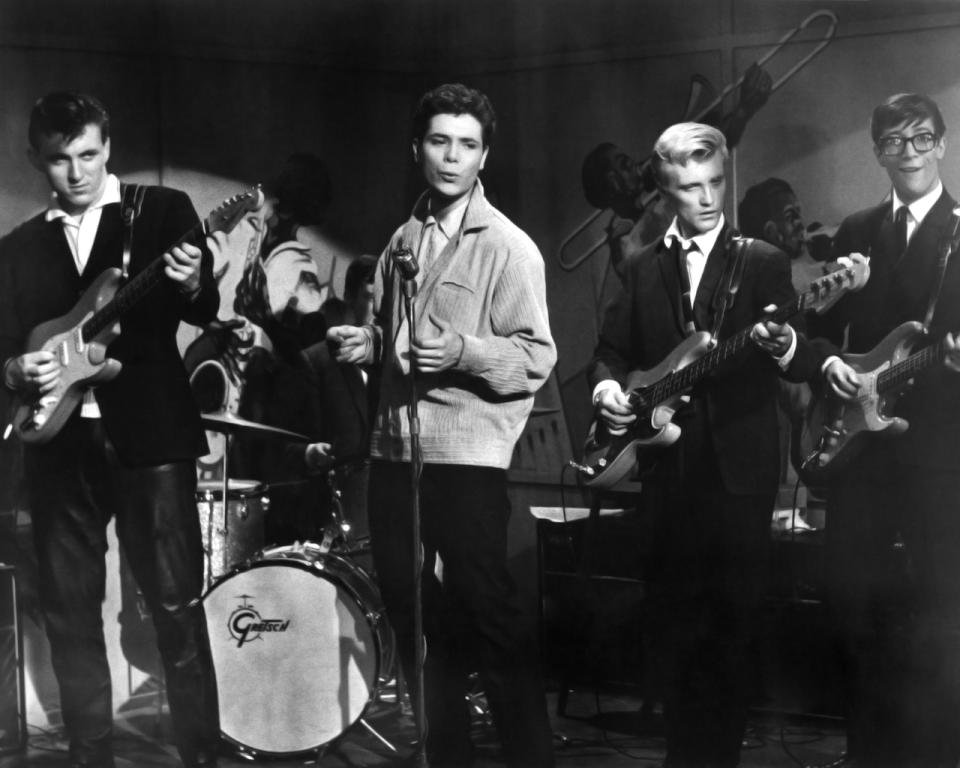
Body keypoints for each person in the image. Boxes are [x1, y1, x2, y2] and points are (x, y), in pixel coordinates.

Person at [327, 83, 557, 768]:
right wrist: (366, 344)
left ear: (485, 156)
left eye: (466, 144)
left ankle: (529, 757)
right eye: (438, 141)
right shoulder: (404, 238)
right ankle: (447, 754)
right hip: (396, 451)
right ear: (416, 149)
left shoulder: (510, 248)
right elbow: (394, 338)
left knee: (489, 610)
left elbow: (536, 357)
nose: (450, 157)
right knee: (412, 610)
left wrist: (464, 351)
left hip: (467, 458)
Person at [588, 122, 819, 768]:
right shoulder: (640, 266)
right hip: (665, 469)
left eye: (717, 182)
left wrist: (783, 347)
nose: (709, 198)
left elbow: (796, 359)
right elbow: (608, 353)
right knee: (673, 625)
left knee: (731, 631)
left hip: (737, 474)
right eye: (691, 187)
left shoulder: (763, 262)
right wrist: (607, 389)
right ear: (665, 190)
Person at [0, 92, 220, 767]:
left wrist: (187, 285)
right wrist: (16, 368)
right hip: (58, 446)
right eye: (60, 160)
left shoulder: (162, 212)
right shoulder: (19, 246)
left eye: (89, 154)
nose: (77, 172)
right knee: (70, 618)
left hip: (151, 440)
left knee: (178, 611)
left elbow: (205, 302)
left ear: (109, 147)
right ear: (38, 159)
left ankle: (201, 759)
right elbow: (5, 347)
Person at [809, 93, 960, 768]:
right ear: (877, 153)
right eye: (894, 142)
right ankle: (868, 752)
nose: (910, 153)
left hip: (940, 451)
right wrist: (832, 366)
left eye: (922, 138)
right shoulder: (856, 230)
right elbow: (814, 334)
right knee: (852, 600)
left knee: (941, 606)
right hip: (859, 450)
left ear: (944, 145)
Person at [579, 63, 773, 281]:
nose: (635, 164)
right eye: (625, 165)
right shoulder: (629, 240)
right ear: (615, 183)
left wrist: (743, 112)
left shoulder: (645, 208)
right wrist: (743, 110)